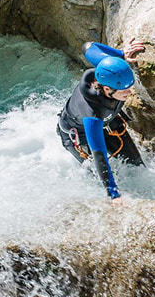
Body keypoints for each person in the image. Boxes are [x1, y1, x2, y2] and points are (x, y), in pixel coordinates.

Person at [57, 40, 147, 199]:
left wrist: (121, 54)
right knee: (97, 178)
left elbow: (87, 46)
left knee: (137, 167)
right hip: (79, 135)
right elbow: (99, 155)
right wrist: (114, 195)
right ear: (107, 89)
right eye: (124, 90)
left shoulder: (108, 69)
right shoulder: (91, 113)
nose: (129, 93)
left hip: (109, 122)